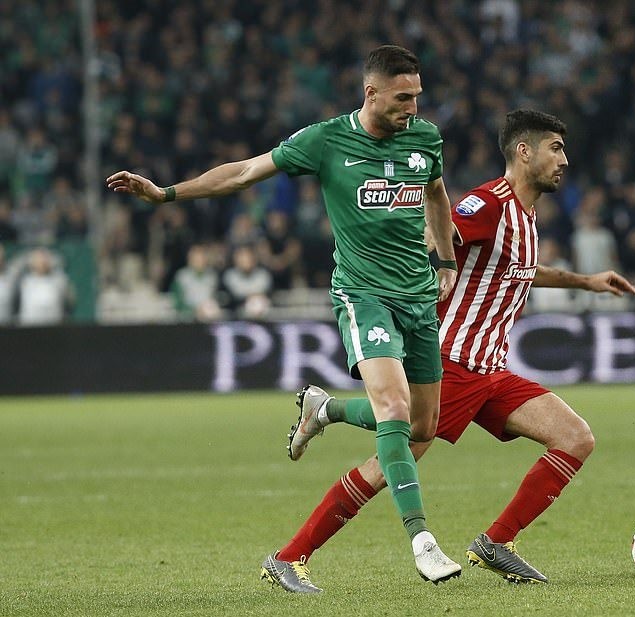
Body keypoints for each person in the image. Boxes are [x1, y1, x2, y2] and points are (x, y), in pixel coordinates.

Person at [107, 45, 462, 590]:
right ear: (371, 93)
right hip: (363, 294)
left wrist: (443, 259)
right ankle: (423, 540)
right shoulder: (324, 140)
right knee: (393, 406)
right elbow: (245, 172)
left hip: (418, 297)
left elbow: (436, 194)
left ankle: (328, 410)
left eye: (416, 96)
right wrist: (168, 194)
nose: (412, 107)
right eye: (402, 97)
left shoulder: (425, 138)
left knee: (421, 426)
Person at [284, 109, 635, 589]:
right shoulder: (488, 204)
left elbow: (521, 271)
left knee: (575, 437)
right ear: (523, 151)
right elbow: (438, 230)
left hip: (492, 370)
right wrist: (421, 255)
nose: (564, 160)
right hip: (450, 362)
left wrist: (585, 282)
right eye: (555, 148)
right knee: (389, 465)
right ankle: (290, 556)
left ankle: (496, 542)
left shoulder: (526, 216)